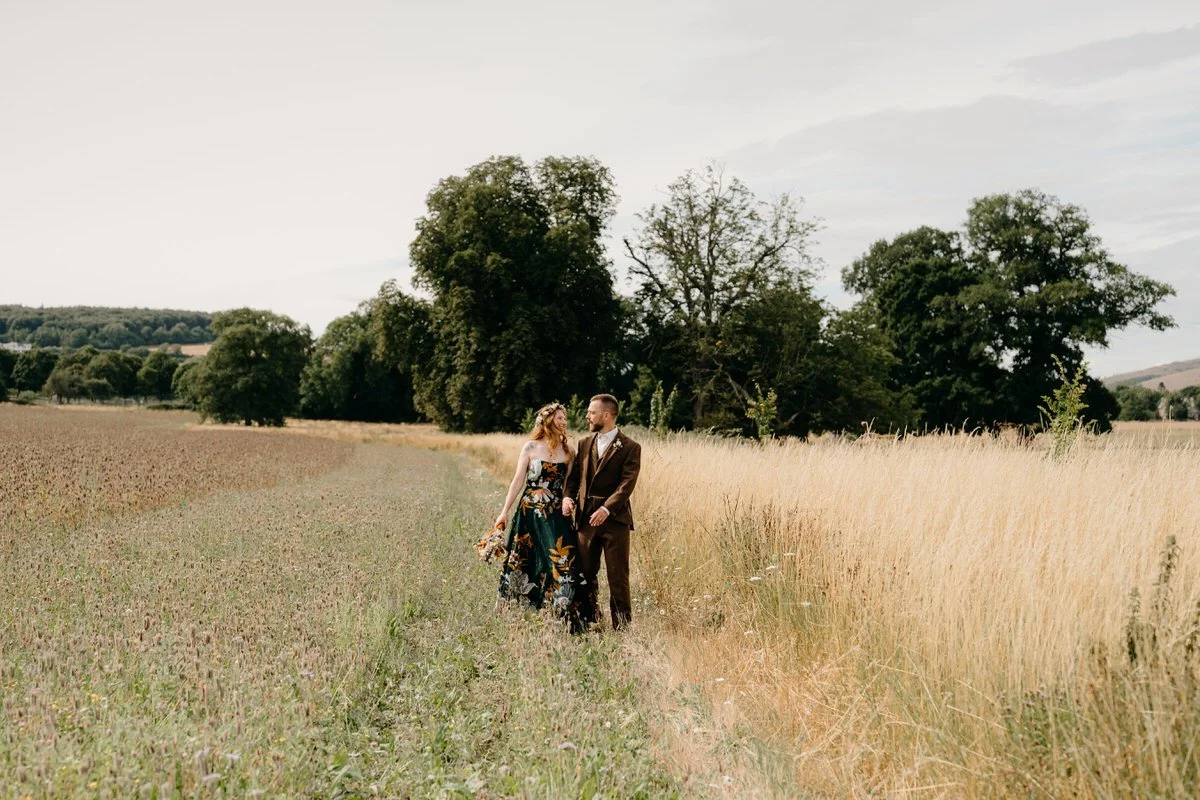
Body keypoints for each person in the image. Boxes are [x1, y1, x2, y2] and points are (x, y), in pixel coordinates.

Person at [563, 394, 641, 631]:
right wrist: (568, 496)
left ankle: (622, 628)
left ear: (606, 415)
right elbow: (574, 477)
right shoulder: (584, 444)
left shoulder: (630, 447)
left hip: (615, 520)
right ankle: (589, 619)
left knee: (618, 576)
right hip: (586, 519)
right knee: (585, 572)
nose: (587, 416)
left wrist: (607, 508)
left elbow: (627, 484)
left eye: (591, 412)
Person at [495, 402, 580, 616]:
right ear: (549, 420)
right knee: (525, 555)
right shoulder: (530, 447)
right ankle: (517, 606)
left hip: (555, 512)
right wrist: (504, 511)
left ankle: (559, 610)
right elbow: (517, 481)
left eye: (565, 418)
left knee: (561, 556)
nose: (564, 422)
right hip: (529, 510)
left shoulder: (569, 451)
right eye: (560, 418)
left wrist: (568, 502)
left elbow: (570, 485)